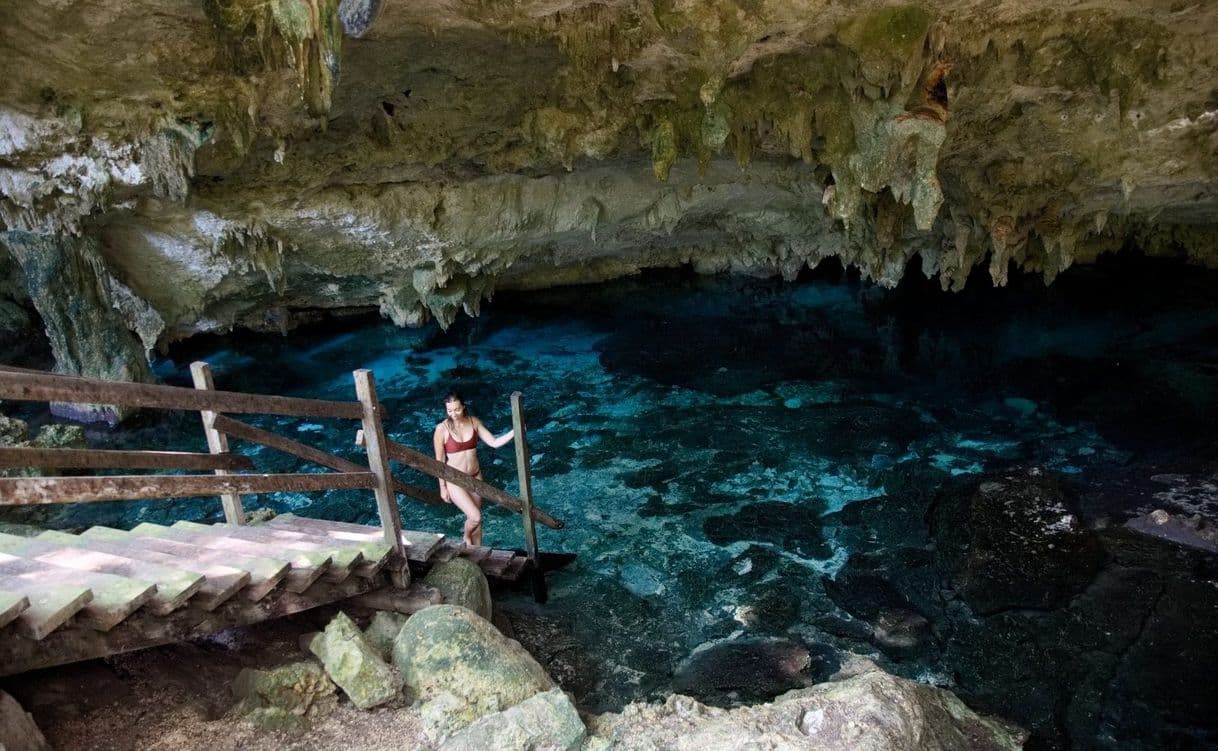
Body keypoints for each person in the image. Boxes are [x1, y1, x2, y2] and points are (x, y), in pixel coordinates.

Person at [433, 391, 514, 547]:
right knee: (475, 517)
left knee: (478, 521)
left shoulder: (474, 422)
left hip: (475, 477)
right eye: (449, 410)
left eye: (456, 409)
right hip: (455, 480)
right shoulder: (441, 429)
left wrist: (514, 431)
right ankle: (466, 536)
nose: (453, 414)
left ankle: (477, 552)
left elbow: (494, 442)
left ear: (463, 407)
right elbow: (439, 461)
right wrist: (442, 487)